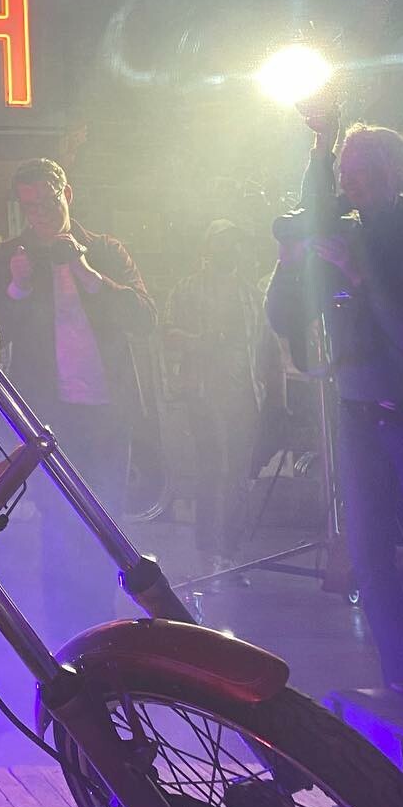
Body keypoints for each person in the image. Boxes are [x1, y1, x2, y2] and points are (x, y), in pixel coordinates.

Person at [265, 109, 403, 690]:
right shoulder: (349, 235)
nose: (349, 182)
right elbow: (285, 319)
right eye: (344, 170)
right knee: (371, 561)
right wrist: (289, 267)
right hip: (361, 416)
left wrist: (359, 272)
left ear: (393, 173)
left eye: (361, 169)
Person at [0, 158, 156, 632]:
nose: (39, 214)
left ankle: (102, 629)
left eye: (47, 201)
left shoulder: (104, 251)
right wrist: (17, 288)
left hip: (107, 415)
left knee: (106, 521)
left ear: (67, 195)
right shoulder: (11, 257)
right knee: (57, 524)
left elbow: (144, 317)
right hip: (47, 419)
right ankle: (65, 637)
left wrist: (86, 271)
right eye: (29, 206)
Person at [164, 220, 264, 574]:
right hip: (203, 393)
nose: (232, 249)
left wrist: (275, 395)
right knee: (212, 471)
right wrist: (200, 342)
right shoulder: (188, 288)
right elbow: (167, 333)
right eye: (224, 242)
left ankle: (231, 552)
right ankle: (208, 550)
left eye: (235, 243)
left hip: (244, 395)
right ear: (209, 247)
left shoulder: (249, 292)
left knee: (238, 475)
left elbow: (263, 343)